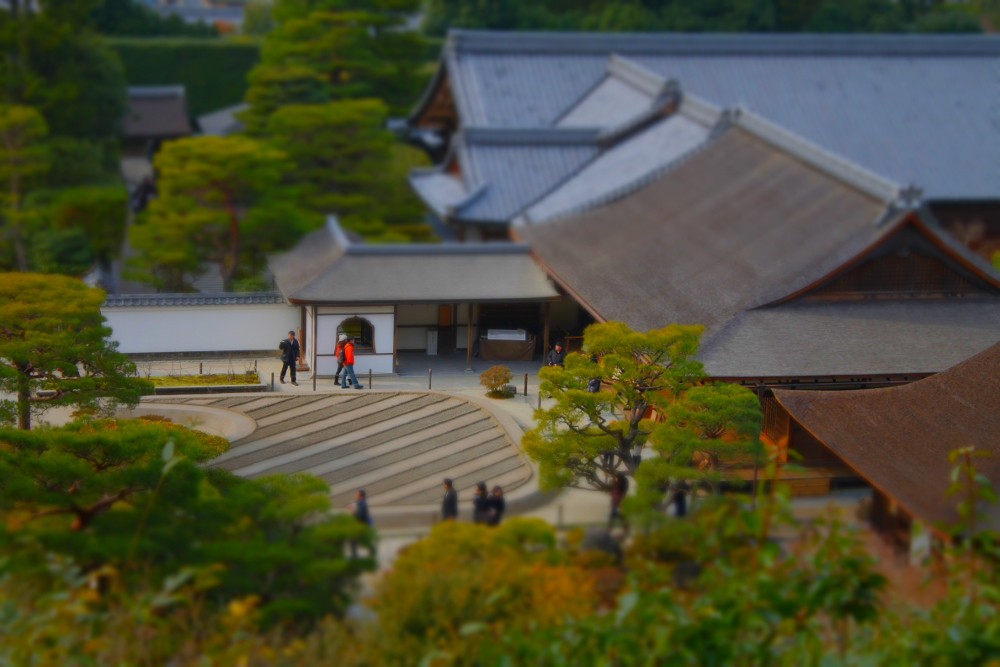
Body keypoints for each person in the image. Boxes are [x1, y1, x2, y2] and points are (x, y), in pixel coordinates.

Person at [349, 489, 372, 557]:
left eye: (357, 495)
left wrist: (352, 511)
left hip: (362, 525)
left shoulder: (362, 504)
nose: (355, 496)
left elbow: (359, 516)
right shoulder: (360, 502)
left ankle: (354, 555)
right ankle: (371, 550)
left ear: (361, 497)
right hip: (362, 525)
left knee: (354, 539)